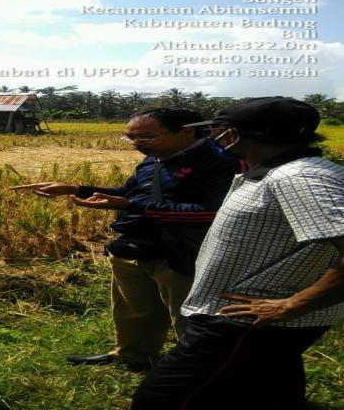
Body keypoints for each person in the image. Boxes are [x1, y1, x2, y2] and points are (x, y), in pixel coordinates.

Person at [132, 97, 344, 409]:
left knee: (160, 399)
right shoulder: (284, 171)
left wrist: (292, 305)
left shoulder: (299, 178)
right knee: (263, 390)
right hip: (256, 318)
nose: (214, 137)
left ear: (236, 134)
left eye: (218, 130)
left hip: (243, 321)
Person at [12, 108, 241, 370]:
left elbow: (214, 213)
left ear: (187, 132)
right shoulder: (153, 159)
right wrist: (77, 189)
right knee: (133, 310)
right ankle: (133, 357)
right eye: (130, 138)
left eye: (146, 137)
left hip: (182, 253)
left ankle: (198, 371)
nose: (137, 144)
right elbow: (130, 192)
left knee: (189, 317)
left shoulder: (220, 162)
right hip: (135, 246)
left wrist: (134, 206)